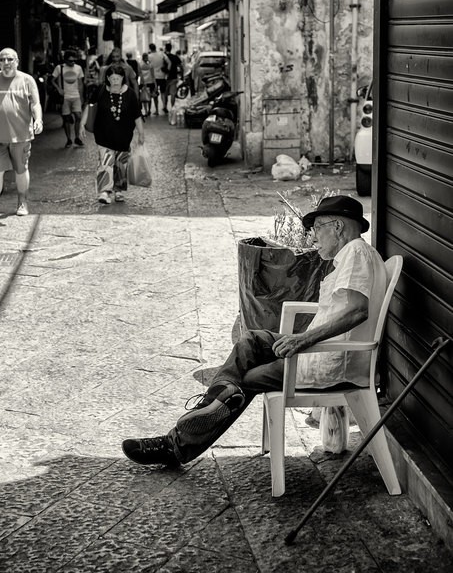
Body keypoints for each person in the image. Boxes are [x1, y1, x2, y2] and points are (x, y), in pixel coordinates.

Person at [122, 195, 386, 467]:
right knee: (252, 340)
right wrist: (301, 340)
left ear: (338, 227)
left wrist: (302, 340)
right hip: (317, 353)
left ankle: (178, 443)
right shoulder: (355, 255)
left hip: (322, 362)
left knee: (246, 379)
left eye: (317, 228)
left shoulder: (356, 253)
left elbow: (357, 311)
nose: (313, 237)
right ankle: (213, 403)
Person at [0, 47, 43, 220]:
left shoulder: (27, 80)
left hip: (20, 136)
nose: (6, 63)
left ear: (17, 61)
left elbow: (35, 104)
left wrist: (38, 120)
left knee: (21, 170)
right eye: (2, 59)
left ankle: (22, 202)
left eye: (9, 59)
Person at [90, 63, 145, 205]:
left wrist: (141, 133)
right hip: (104, 135)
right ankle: (104, 191)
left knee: (120, 164)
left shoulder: (130, 94)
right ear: (107, 78)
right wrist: (83, 124)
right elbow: (90, 106)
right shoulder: (101, 90)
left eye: (118, 78)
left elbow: (137, 115)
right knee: (105, 163)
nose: (115, 81)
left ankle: (118, 190)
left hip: (123, 136)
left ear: (122, 78)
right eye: (112, 78)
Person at [52, 50, 85, 148]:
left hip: (76, 96)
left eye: (74, 61)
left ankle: (77, 138)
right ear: (65, 60)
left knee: (78, 117)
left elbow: (80, 83)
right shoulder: (60, 68)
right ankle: (69, 139)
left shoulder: (78, 68)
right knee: (66, 118)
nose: (73, 63)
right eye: (70, 61)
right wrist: (59, 89)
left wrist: (82, 96)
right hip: (65, 97)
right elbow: (52, 80)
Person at [162, 41, 183, 113]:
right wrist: (182, 76)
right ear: (171, 49)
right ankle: (172, 107)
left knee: (165, 93)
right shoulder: (175, 57)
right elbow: (180, 66)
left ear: (165, 48)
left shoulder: (163, 57)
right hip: (174, 77)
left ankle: (165, 106)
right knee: (172, 94)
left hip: (164, 78)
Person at [147, 42, 168, 115]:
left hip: (153, 77)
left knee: (155, 94)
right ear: (155, 47)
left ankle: (156, 110)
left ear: (150, 48)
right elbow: (169, 62)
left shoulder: (149, 56)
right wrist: (167, 71)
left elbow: (148, 66)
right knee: (163, 93)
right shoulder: (162, 54)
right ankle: (164, 106)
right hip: (162, 75)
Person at [139, 52, 156, 118]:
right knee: (148, 98)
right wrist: (155, 83)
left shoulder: (140, 64)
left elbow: (140, 74)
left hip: (143, 83)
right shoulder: (149, 65)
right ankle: (148, 110)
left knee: (145, 98)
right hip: (149, 82)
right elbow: (153, 74)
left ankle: (146, 111)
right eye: (146, 57)